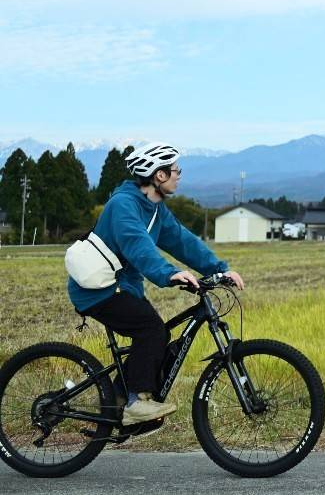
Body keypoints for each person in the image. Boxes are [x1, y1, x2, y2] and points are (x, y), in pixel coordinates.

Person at [67, 142, 244, 426]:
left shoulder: (156, 210)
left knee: (156, 335)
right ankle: (137, 401)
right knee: (151, 330)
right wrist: (169, 273)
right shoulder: (123, 205)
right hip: (97, 290)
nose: (179, 176)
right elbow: (138, 245)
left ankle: (114, 402)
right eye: (175, 170)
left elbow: (183, 242)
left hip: (122, 288)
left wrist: (220, 269)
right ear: (158, 175)